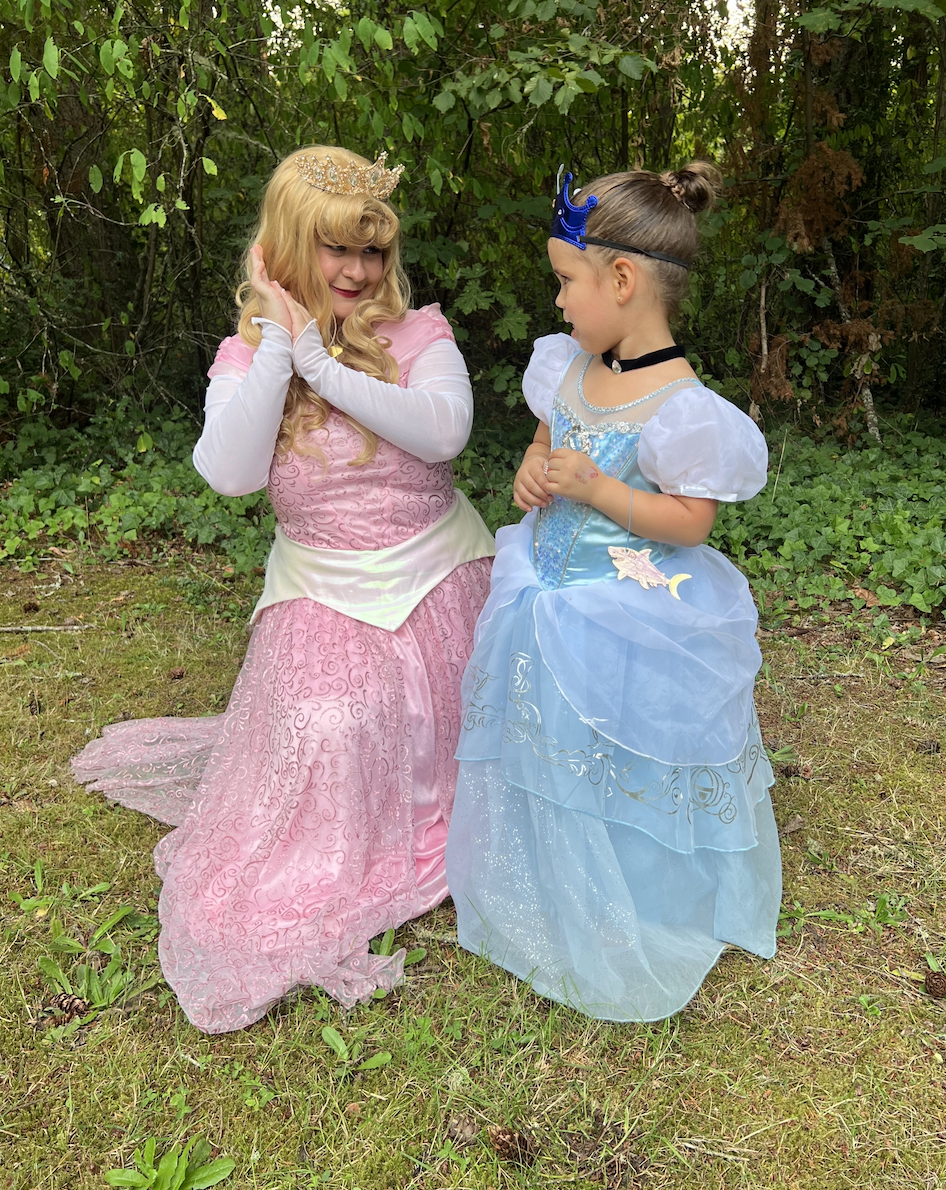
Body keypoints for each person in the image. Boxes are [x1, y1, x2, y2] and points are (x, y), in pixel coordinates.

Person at [73, 145, 494, 1033]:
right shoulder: (247, 355)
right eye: (337, 248)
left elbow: (445, 431)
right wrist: (279, 348)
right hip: (322, 583)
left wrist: (326, 361)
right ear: (286, 251)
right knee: (328, 729)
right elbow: (227, 473)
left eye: (373, 251)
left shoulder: (419, 336)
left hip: (440, 572)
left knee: (462, 716)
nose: (357, 270)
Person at [445, 162, 782, 1021]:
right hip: (545, 588)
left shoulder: (681, 406)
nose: (557, 305)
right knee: (548, 735)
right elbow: (545, 438)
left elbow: (689, 521)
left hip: (621, 604)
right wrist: (533, 473)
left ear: (622, 280)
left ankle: (633, 886)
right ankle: (547, 873)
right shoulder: (568, 367)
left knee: (620, 742)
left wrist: (602, 493)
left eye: (566, 283)